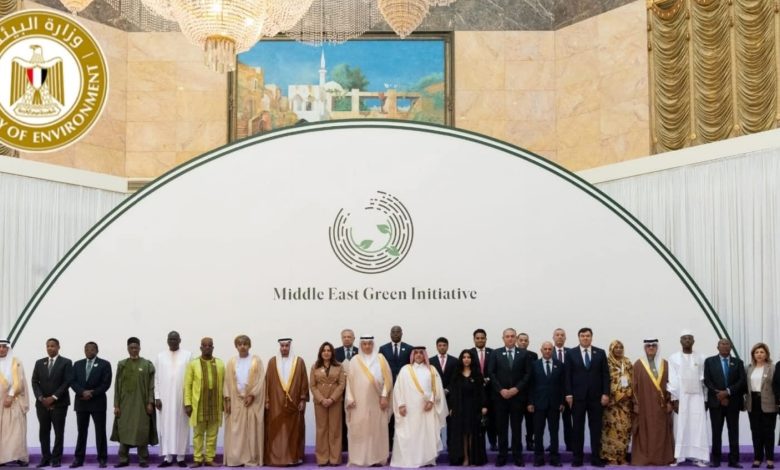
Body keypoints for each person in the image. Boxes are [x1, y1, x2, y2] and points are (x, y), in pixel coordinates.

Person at [390, 346, 448, 468]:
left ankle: (426, 460)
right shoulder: (405, 370)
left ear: (424, 355)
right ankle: (409, 460)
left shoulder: (431, 370)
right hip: (409, 410)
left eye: (421, 353)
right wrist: (401, 404)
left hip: (427, 409)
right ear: (412, 355)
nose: (418, 355)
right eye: (416, 353)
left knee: (426, 435)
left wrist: (431, 401)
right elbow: (398, 389)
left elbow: (437, 388)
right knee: (409, 434)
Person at [564, 327, 609, 468]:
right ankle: (577, 458)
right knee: (577, 429)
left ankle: (596, 458)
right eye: (582, 336)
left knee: (596, 429)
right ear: (579, 337)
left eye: (588, 336)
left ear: (591, 337)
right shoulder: (571, 353)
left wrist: (606, 393)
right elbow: (567, 375)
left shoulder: (600, 353)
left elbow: (605, 375)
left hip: (596, 398)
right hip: (577, 398)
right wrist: (568, 394)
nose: (585, 338)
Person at [345, 335, 393, 466]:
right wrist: (350, 398)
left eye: (369, 344)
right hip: (359, 403)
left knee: (377, 430)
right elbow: (349, 382)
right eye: (364, 344)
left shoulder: (381, 359)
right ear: (361, 345)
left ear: (373, 344)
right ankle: (360, 459)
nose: (367, 346)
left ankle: (377, 459)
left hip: (377, 401)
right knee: (361, 430)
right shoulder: (355, 360)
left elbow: (388, 379)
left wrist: (384, 396)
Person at [111, 337, 157, 468]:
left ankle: (143, 459)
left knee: (142, 429)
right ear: (127, 349)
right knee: (124, 430)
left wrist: (150, 402)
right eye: (131, 348)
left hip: (142, 405)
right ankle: (123, 459)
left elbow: (151, 386)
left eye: (136, 347)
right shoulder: (122, 364)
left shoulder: (147, 365)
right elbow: (117, 385)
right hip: (125, 405)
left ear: (140, 348)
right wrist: (116, 405)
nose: (134, 350)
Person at [488, 327, 531, 467]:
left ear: (516, 338)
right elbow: (491, 373)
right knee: (502, 429)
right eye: (507, 336)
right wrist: (501, 390)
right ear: (503, 338)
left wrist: (516, 389)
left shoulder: (524, 354)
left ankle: (518, 456)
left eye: (513, 336)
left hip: (517, 398)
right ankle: (502, 456)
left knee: (516, 428)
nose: (510, 338)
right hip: (500, 398)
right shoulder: (495, 353)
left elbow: (527, 374)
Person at [264, 338, 309, 466]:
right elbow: (267, 382)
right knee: (275, 429)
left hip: (294, 402)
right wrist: (267, 400)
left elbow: (304, 381)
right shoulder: (272, 362)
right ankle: (275, 458)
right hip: (275, 401)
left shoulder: (299, 362)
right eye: (282, 346)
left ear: (290, 347)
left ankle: (293, 457)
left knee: (293, 429)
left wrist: (302, 399)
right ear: (279, 347)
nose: (284, 348)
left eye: (286, 346)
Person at [668, 329, 709, 467]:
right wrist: (675, 399)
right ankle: (679, 456)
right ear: (680, 341)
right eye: (684, 338)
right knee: (681, 425)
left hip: (698, 397)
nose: (687, 340)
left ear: (693, 341)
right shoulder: (674, 358)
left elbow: (704, 380)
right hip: (682, 397)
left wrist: (706, 399)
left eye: (689, 338)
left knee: (698, 426)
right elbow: (673, 379)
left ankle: (699, 457)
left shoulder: (702, 357)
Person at [630, 338, 674, 466]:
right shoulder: (638, 364)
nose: (651, 347)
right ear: (644, 348)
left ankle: (661, 458)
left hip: (661, 406)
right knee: (645, 432)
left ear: (657, 347)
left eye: (653, 345)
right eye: (648, 345)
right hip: (644, 406)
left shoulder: (665, 364)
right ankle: (644, 458)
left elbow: (672, 385)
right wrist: (636, 404)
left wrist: (670, 402)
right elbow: (633, 387)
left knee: (660, 431)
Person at [223, 335, 265, 467]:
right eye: (240, 344)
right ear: (236, 346)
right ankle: (236, 458)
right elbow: (227, 382)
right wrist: (228, 400)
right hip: (236, 401)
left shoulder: (256, 361)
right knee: (236, 431)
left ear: (249, 345)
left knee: (251, 430)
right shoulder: (231, 362)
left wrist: (252, 395)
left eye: (245, 344)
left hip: (252, 401)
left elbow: (261, 380)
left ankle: (251, 458)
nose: (242, 346)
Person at [704, 338, 746, 468]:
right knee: (716, 432)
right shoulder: (709, 361)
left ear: (731, 347)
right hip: (716, 402)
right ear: (717, 347)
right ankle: (716, 460)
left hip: (733, 402)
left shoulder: (738, 362)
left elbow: (741, 381)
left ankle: (734, 460)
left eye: (727, 344)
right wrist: (720, 394)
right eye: (722, 344)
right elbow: (707, 380)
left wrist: (727, 392)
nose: (725, 346)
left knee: (733, 431)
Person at [184, 337, 225, 468]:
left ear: (213, 347)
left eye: (209, 345)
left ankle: (209, 458)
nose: (207, 347)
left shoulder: (220, 364)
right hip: (199, 405)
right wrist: (187, 403)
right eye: (204, 345)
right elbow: (187, 385)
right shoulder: (193, 364)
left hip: (215, 405)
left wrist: (225, 403)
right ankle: (197, 459)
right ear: (200, 347)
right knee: (198, 434)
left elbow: (224, 385)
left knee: (212, 434)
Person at [32, 337, 73, 468]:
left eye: (53, 346)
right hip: (42, 404)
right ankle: (45, 458)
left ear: (58, 347)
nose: (50, 348)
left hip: (59, 404)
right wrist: (41, 398)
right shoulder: (39, 363)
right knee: (44, 432)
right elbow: (34, 382)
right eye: (48, 346)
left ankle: (56, 458)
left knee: (58, 432)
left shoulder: (66, 362)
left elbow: (67, 382)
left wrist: (53, 397)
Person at [70, 341, 112, 469]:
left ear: (97, 351)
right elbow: (72, 381)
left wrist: (92, 393)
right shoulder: (77, 364)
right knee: (81, 432)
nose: (89, 351)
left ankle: (102, 458)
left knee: (100, 432)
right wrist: (82, 392)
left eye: (92, 349)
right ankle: (78, 459)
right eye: (86, 349)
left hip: (98, 403)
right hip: (81, 402)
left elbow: (106, 383)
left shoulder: (105, 364)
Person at [154, 331, 191, 468]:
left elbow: (190, 377)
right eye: (170, 339)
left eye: (175, 339)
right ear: (167, 340)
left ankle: (181, 457)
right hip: (165, 399)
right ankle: (167, 457)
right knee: (166, 427)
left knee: (182, 425)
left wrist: (188, 400)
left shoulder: (188, 355)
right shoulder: (160, 356)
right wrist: (157, 397)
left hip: (182, 397)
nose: (173, 341)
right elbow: (156, 378)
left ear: (180, 340)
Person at [448, 350, 488, 466]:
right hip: (460, 408)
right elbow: (452, 393)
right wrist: (451, 407)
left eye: (468, 357)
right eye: (464, 357)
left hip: (474, 408)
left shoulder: (477, 374)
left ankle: (473, 457)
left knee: (473, 433)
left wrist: (484, 405)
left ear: (472, 359)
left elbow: (482, 392)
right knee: (463, 434)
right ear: (461, 359)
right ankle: (465, 457)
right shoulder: (456, 375)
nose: (466, 359)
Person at [526, 341, 564, 467]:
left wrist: (562, 402)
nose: (547, 351)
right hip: (538, 404)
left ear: (552, 350)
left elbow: (562, 385)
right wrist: (530, 402)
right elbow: (530, 385)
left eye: (549, 349)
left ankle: (554, 458)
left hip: (554, 404)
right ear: (541, 350)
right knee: (538, 432)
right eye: (545, 349)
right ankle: (538, 458)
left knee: (554, 432)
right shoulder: (534, 364)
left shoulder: (559, 365)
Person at [310, 341, 346, 466]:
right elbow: (312, 386)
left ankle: (335, 459)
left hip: (335, 402)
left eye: (329, 350)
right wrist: (322, 399)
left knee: (335, 429)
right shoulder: (315, 366)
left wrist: (332, 399)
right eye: (324, 350)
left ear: (332, 353)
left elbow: (341, 384)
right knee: (322, 430)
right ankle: (322, 459)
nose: (326, 353)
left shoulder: (339, 366)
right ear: (320, 353)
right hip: (320, 403)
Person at [600, 340, 633, 465]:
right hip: (611, 404)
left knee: (624, 429)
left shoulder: (627, 362)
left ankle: (621, 456)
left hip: (625, 404)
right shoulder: (606, 363)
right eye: (616, 347)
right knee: (611, 431)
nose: (619, 349)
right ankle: (610, 457)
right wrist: (616, 394)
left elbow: (633, 379)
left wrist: (628, 393)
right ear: (611, 349)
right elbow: (603, 380)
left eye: (621, 347)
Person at [745, 343, 776, 469]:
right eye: (756, 352)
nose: (759, 354)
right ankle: (757, 458)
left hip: (769, 402)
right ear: (753, 355)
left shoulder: (772, 368)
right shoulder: (749, 368)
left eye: (762, 352)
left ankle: (769, 459)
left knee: (768, 432)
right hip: (753, 403)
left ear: (766, 354)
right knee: (756, 432)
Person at [0, 339, 30, 466]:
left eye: (4, 347)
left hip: (14, 401)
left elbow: (20, 381)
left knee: (17, 430)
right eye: (0, 347)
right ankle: (1, 459)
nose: (1, 349)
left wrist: (10, 396)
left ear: (8, 348)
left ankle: (20, 457)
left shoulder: (16, 362)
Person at [470, 328, 496, 451]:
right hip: (475, 392)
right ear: (474, 339)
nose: (480, 340)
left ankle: (493, 443)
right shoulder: (469, 353)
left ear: (486, 339)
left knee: (492, 419)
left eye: (482, 338)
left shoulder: (493, 353)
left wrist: (489, 379)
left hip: (491, 391)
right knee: (475, 419)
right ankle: (477, 445)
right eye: (477, 338)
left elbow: (496, 369)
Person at [432, 336, 457, 451]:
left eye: (444, 345)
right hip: (436, 397)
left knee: (451, 423)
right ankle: (437, 446)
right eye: (440, 345)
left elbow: (456, 379)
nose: (442, 347)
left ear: (447, 346)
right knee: (436, 423)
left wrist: (447, 390)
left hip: (451, 397)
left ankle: (451, 446)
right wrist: (438, 391)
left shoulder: (455, 361)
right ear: (437, 347)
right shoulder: (431, 361)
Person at [334, 329, 358, 452]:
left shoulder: (359, 352)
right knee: (341, 417)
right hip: (340, 391)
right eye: (344, 337)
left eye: (349, 337)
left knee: (355, 417)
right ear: (341, 338)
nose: (347, 339)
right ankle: (343, 444)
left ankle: (355, 444)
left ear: (354, 338)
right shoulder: (335, 352)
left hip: (356, 391)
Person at [516, 332, 537, 452]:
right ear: (517, 341)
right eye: (521, 340)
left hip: (530, 393)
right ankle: (516, 443)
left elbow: (534, 375)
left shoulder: (533, 355)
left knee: (531, 421)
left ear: (528, 342)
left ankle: (530, 441)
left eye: (526, 340)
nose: (523, 342)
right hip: (516, 394)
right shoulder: (512, 354)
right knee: (516, 422)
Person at [552, 328, 572, 451]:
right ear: (553, 337)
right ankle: (553, 445)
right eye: (557, 335)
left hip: (569, 393)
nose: (560, 337)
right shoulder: (548, 351)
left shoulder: (571, 352)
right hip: (553, 393)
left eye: (562, 335)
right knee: (552, 422)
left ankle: (570, 444)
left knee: (568, 420)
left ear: (565, 338)